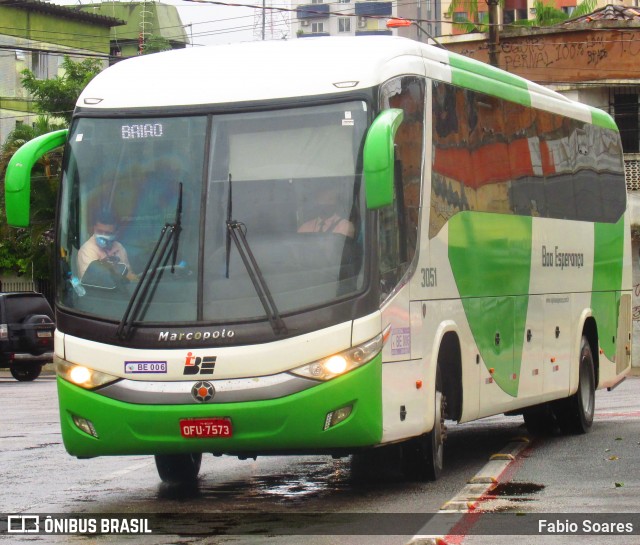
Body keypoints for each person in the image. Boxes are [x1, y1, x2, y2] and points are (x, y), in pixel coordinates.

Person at [77, 210, 137, 281]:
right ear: (94, 229)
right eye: (99, 231)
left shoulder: (119, 247)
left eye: (108, 233)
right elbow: (94, 280)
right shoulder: (87, 250)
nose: (103, 236)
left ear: (116, 233)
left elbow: (129, 273)